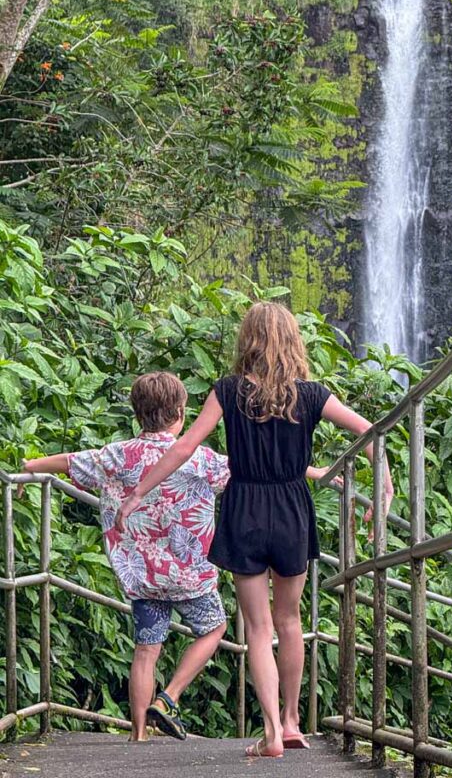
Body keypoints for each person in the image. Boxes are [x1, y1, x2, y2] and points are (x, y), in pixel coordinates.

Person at [116, 302, 394, 758]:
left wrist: (137, 494)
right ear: (292, 339)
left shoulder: (227, 391)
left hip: (244, 508)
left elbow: (185, 447)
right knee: (290, 621)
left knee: (259, 629)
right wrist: (382, 486)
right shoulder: (312, 395)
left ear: (247, 340)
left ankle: (268, 733)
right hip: (291, 509)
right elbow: (371, 434)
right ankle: (290, 721)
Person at [24, 371, 231, 742]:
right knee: (214, 628)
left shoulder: (118, 455)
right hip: (190, 575)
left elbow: (71, 461)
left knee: (146, 650)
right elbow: (250, 473)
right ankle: (168, 698)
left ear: (138, 413)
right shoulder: (201, 459)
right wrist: (311, 471)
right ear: (181, 412)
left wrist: (30, 467)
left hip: (142, 574)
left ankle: (138, 735)